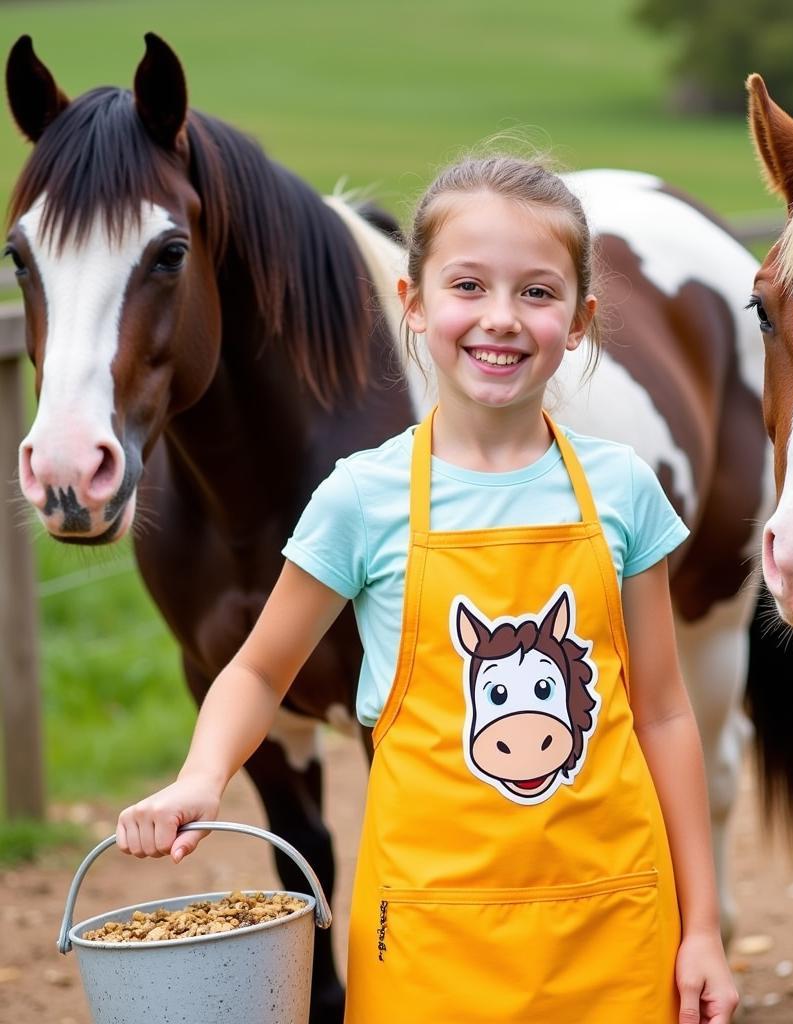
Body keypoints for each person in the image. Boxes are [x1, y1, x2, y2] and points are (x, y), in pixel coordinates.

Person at [116, 154, 739, 1024]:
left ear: (582, 319)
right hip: (424, 941)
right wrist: (200, 776)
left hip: (616, 926)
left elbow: (665, 712)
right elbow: (259, 673)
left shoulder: (624, 490)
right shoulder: (361, 498)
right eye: (469, 285)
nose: (501, 318)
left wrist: (701, 926)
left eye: (538, 292)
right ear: (412, 305)